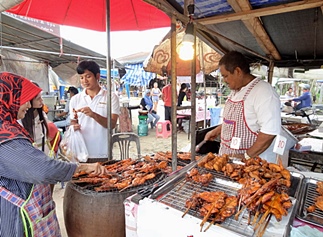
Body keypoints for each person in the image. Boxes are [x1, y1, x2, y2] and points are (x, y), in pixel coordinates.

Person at [0, 72, 109, 236]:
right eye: (23, 99)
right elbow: (43, 169)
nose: (29, 105)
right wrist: (82, 168)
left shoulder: (9, 127)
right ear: (8, 98)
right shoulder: (4, 138)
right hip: (15, 218)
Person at [204, 51, 281, 163]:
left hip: (252, 166)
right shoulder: (236, 90)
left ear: (238, 71)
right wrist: (217, 130)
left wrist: (246, 156)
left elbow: (269, 133)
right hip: (228, 161)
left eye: (226, 76)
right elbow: (236, 121)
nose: (224, 80)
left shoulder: (264, 92)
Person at [70, 60, 120, 162]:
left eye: (88, 76)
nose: (85, 81)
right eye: (81, 77)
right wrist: (73, 126)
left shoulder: (111, 97)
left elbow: (112, 124)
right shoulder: (75, 99)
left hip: (103, 152)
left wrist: (93, 115)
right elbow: (73, 121)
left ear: (97, 76)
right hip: (82, 152)